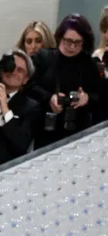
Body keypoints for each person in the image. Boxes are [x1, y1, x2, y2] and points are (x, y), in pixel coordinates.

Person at [30, 14, 103, 147]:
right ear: (60, 37)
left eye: (77, 43)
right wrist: (49, 98)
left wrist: (86, 98)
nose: (72, 47)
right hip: (45, 129)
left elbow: (100, 95)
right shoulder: (44, 58)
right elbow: (30, 86)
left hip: (78, 131)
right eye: (68, 41)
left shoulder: (89, 64)